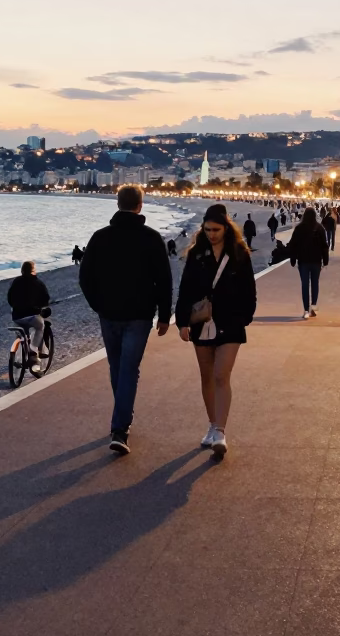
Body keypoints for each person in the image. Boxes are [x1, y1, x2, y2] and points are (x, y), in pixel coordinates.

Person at [79, 184, 172, 455]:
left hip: (109, 314)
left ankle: (121, 422)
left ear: (117, 203)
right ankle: (121, 426)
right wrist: (164, 315)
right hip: (140, 316)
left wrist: (98, 305)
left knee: (118, 367)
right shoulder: (152, 238)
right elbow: (164, 281)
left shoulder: (100, 237)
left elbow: (85, 278)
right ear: (140, 206)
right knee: (127, 369)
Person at [175, 204, 257, 460]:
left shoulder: (239, 254)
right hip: (202, 322)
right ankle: (212, 424)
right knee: (207, 376)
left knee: (222, 374)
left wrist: (245, 317)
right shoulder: (196, 255)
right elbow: (185, 290)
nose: (211, 234)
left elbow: (249, 290)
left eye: (216, 229)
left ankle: (220, 431)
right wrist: (181, 322)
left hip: (231, 322)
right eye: (207, 229)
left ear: (226, 228)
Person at [8, 260, 51, 377]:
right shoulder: (38, 282)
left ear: (22, 270)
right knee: (40, 326)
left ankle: (19, 356)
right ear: (33, 270)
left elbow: (10, 298)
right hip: (32, 316)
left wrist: (16, 307)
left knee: (23, 334)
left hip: (17, 316)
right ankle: (33, 350)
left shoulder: (16, 281)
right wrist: (41, 307)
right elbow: (45, 299)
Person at [287, 207, 329, 319]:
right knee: (315, 284)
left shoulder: (299, 228)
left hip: (303, 261)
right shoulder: (320, 228)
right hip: (316, 261)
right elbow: (324, 246)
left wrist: (293, 259)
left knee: (305, 285)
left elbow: (293, 245)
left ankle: (306, 310)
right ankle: (313, 307)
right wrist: (325, 260)